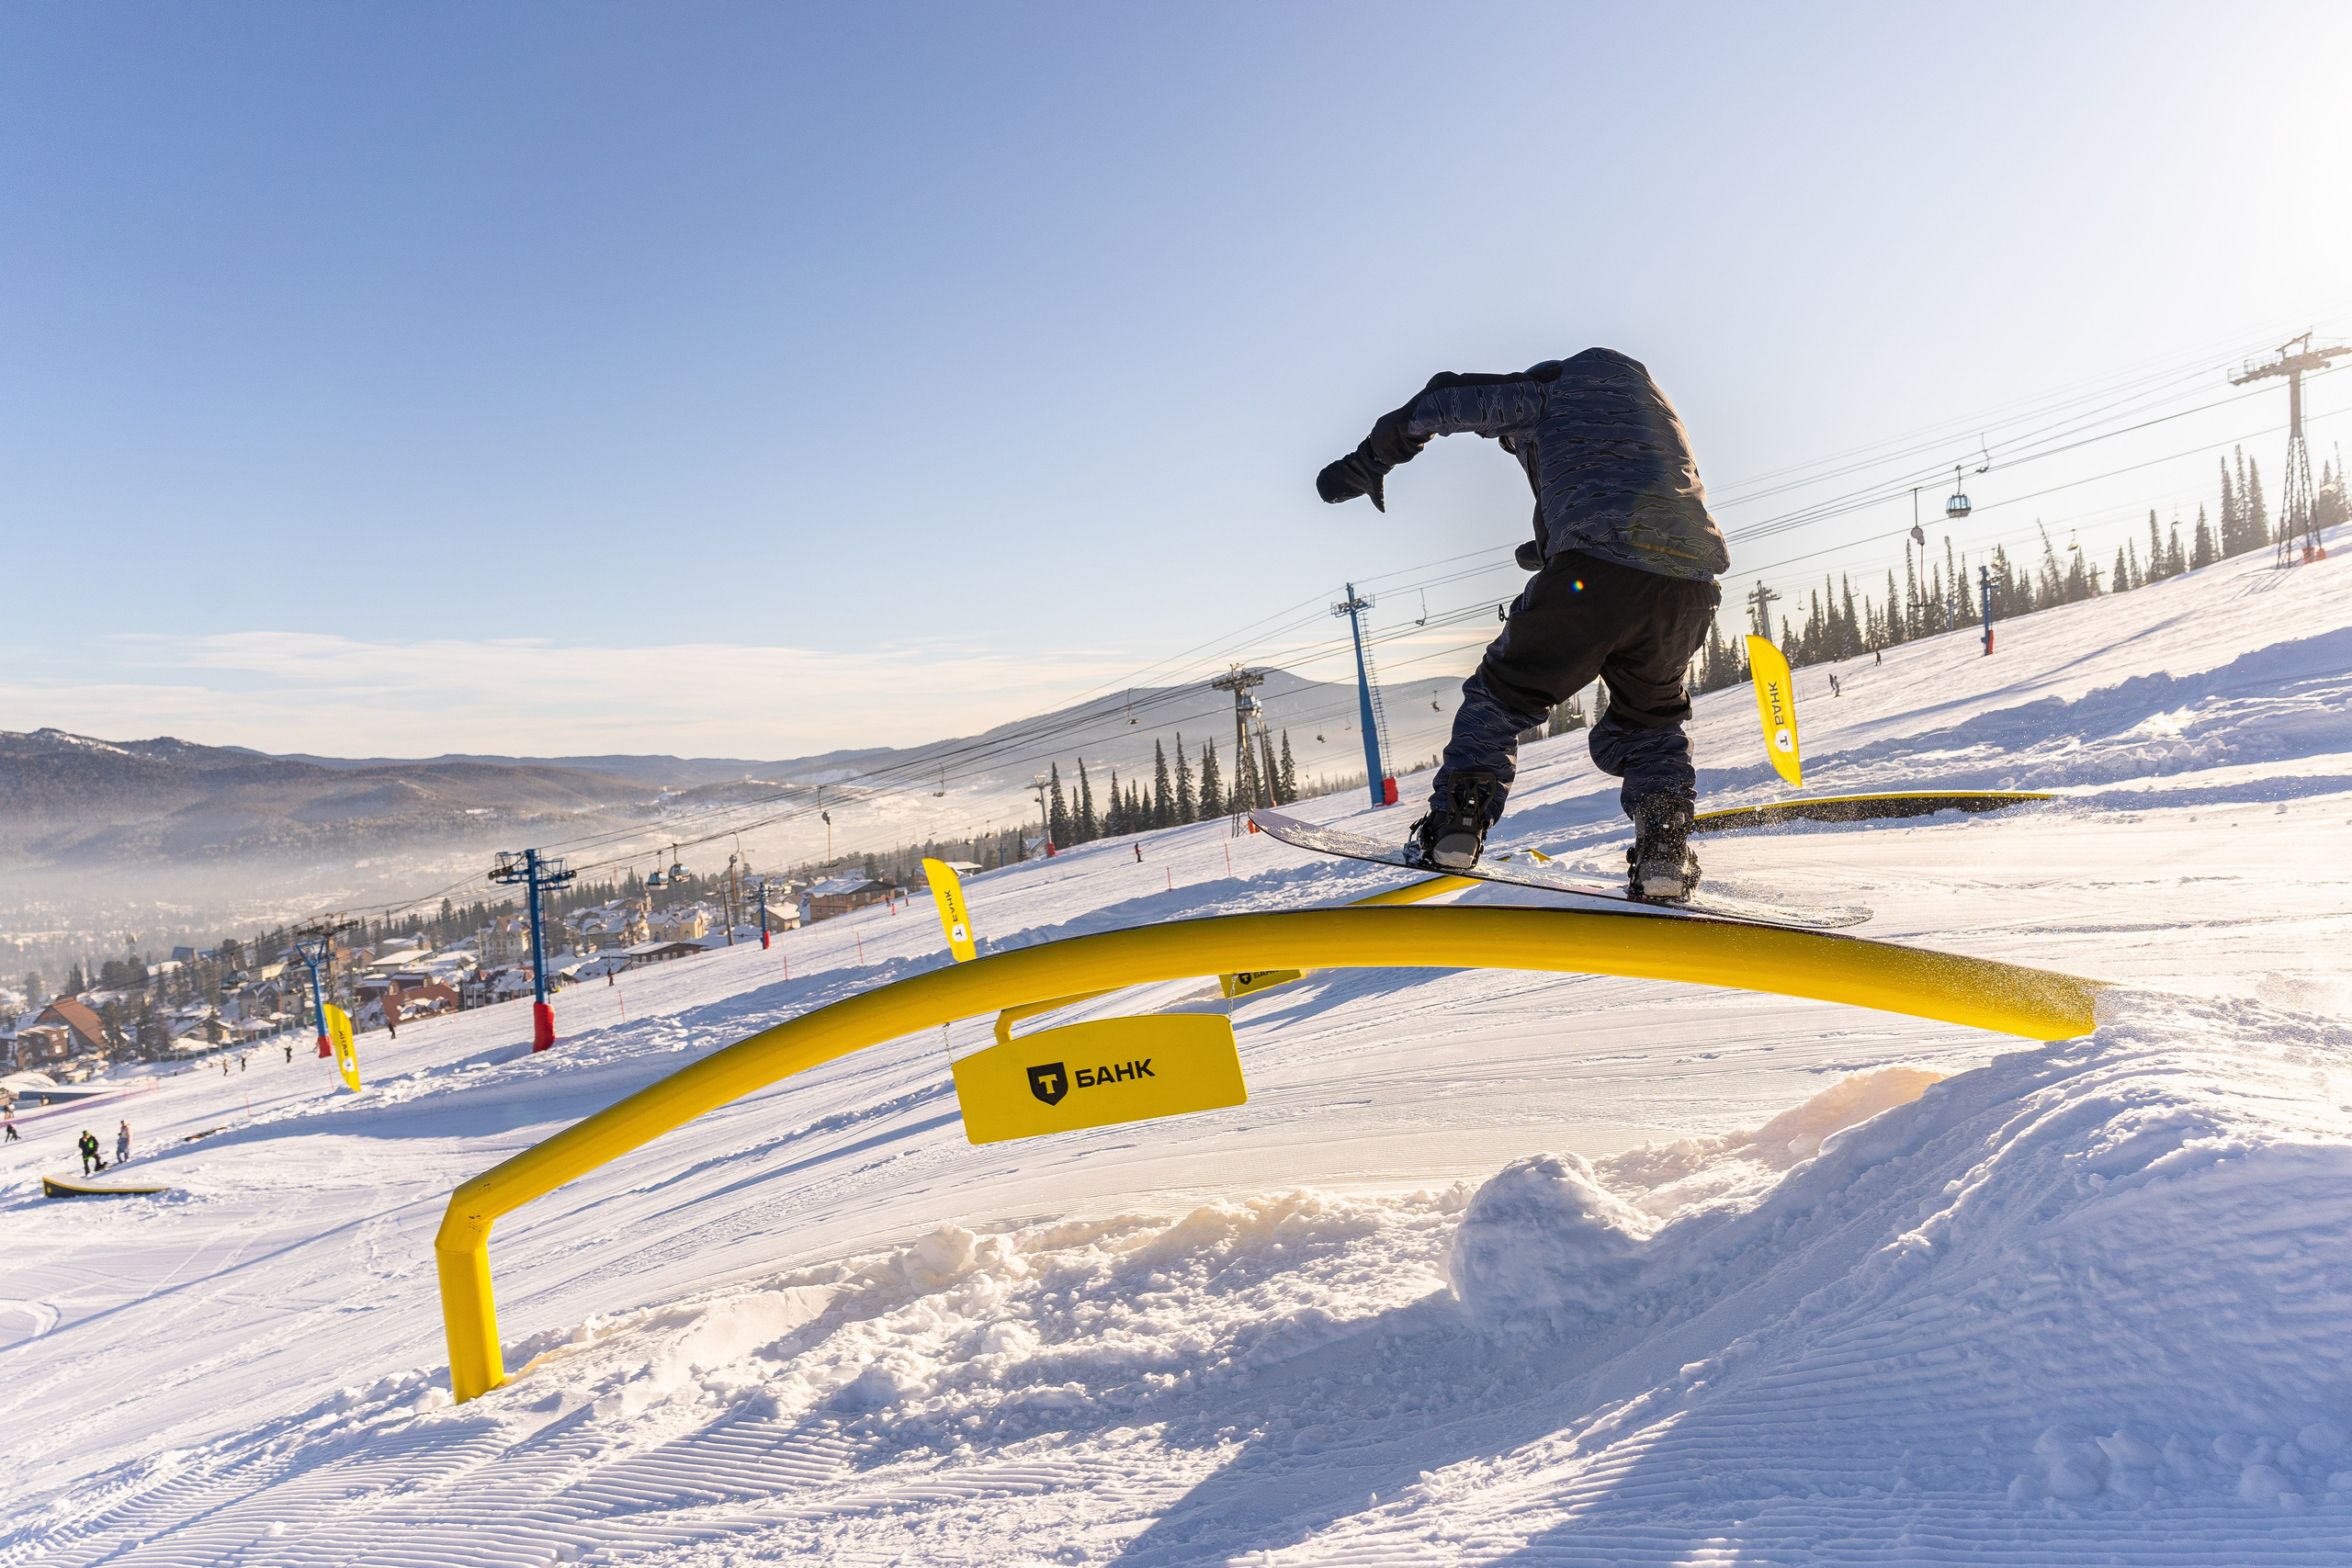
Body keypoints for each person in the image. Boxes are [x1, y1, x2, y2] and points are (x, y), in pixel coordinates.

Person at [1317, 347, 1727, 897]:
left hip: (1592, 576)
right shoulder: (1655, 411)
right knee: (1651, 721)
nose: (1515, 449)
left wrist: (1372, 457)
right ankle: (1664, 851)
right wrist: (1551, 548)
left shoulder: (1548, 391)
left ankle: (1457, 826)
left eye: (1513, 443)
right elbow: (1630, 497)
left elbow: (1445, 399)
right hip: (1688, 588)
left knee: (1499, 700)